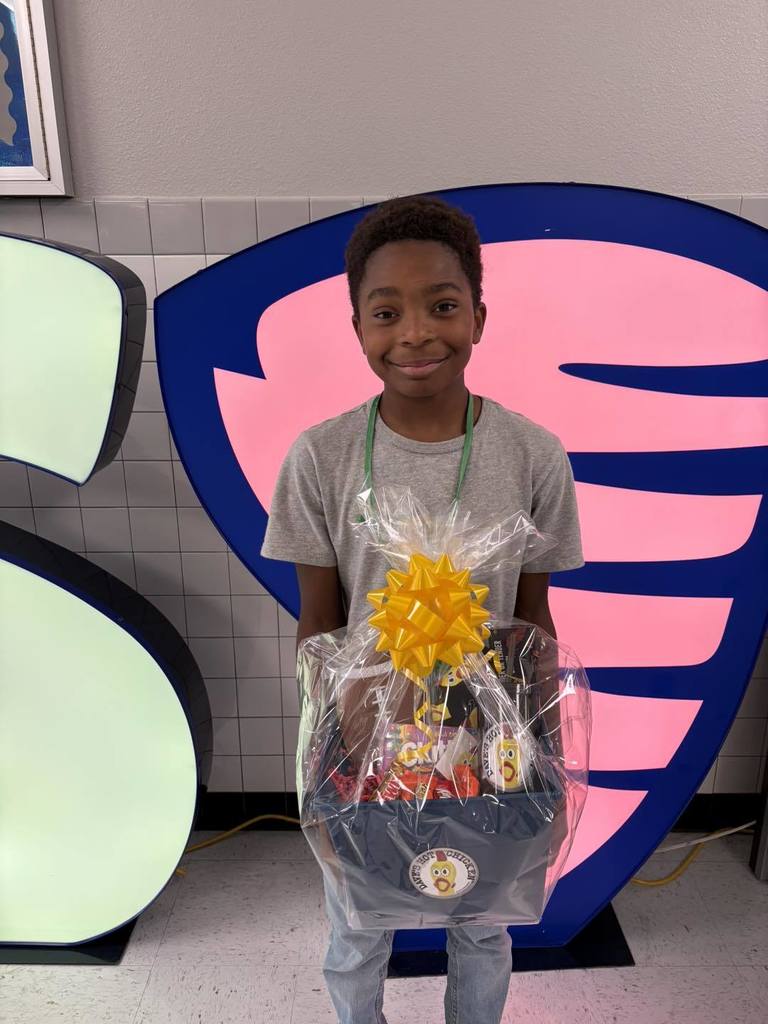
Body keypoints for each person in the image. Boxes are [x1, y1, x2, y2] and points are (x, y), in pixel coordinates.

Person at [261, 193, 584, 1024]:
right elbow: (319, 630)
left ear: (478, 314)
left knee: (483, 921)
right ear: (357, 326)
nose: (415, 333)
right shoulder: (321, 458)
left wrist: (544, 750)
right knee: (356, 922)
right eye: (386, 311)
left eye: (443, 306)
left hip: (490, 741)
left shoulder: (532, 453)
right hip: (363, 735)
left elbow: (533, 623)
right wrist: (325, 757)